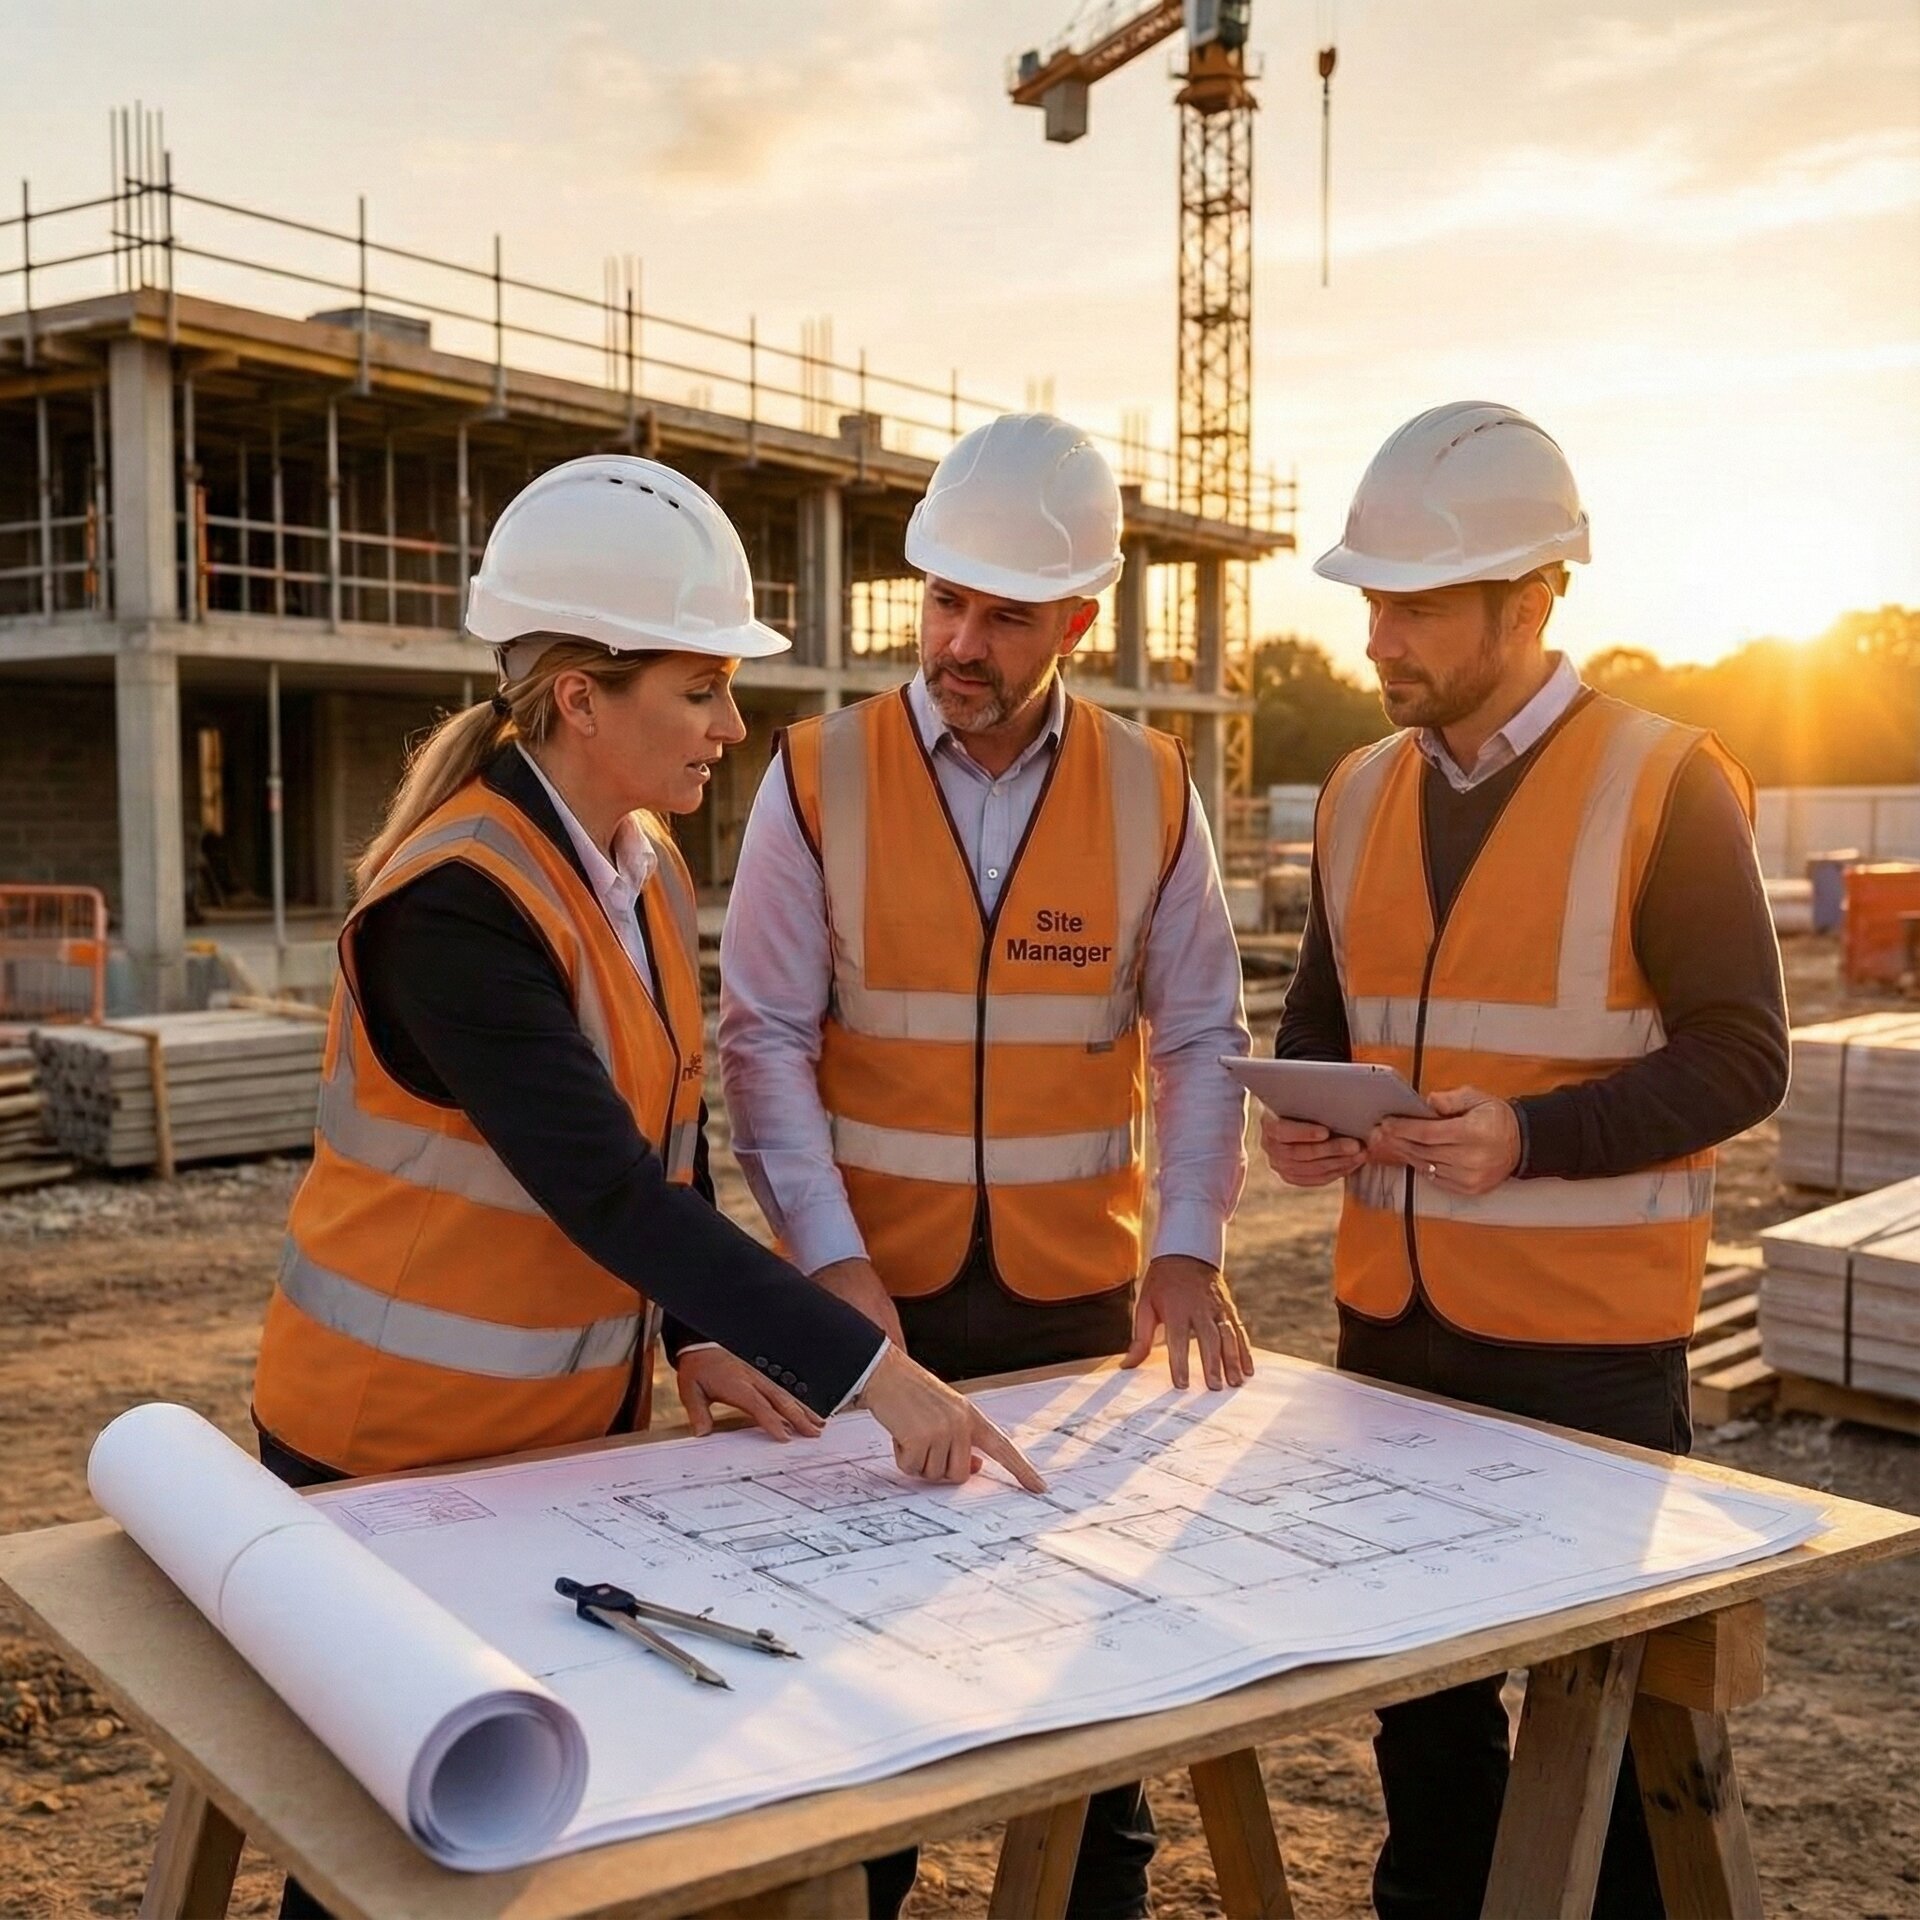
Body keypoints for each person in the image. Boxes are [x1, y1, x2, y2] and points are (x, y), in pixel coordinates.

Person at [250, 455, 1044, 1920]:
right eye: (702, 690)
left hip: (548, 1447)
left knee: (521, 1827)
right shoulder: (455, 905)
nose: (734, 728)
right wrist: (875, 1374)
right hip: (384, 1454)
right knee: (392, 1855)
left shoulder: (641, 865)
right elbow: (608, 1193)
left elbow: (669, 1135)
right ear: (580, 697)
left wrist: (695, 1335)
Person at [720, 412, 1254, 1920]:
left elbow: (1200, 1036)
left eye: (1005, 617)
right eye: (944, 600)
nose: (960, 641)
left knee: (1087, 1708)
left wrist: (1189, 1243)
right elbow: (763, 1040)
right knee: (852, 1698)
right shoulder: (816, 774)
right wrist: (831, 1269)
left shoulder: (1153, 787)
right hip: (868, 1303)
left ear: (1076, 621)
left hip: (1072, 1303)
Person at [1261, 402, 1789, 1920]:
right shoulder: (1360, 792)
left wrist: (1530, 1137)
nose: (1381, 639)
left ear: (1534, 598)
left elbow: (1744, 1056)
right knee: (1423, 1739)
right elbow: (1321, 1020)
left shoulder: (1664, 782)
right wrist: (1304, 1118)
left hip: (1588, 1359)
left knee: (1602, 1746)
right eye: (1373, 601)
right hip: (1391, 1337)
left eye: (1419, 606)